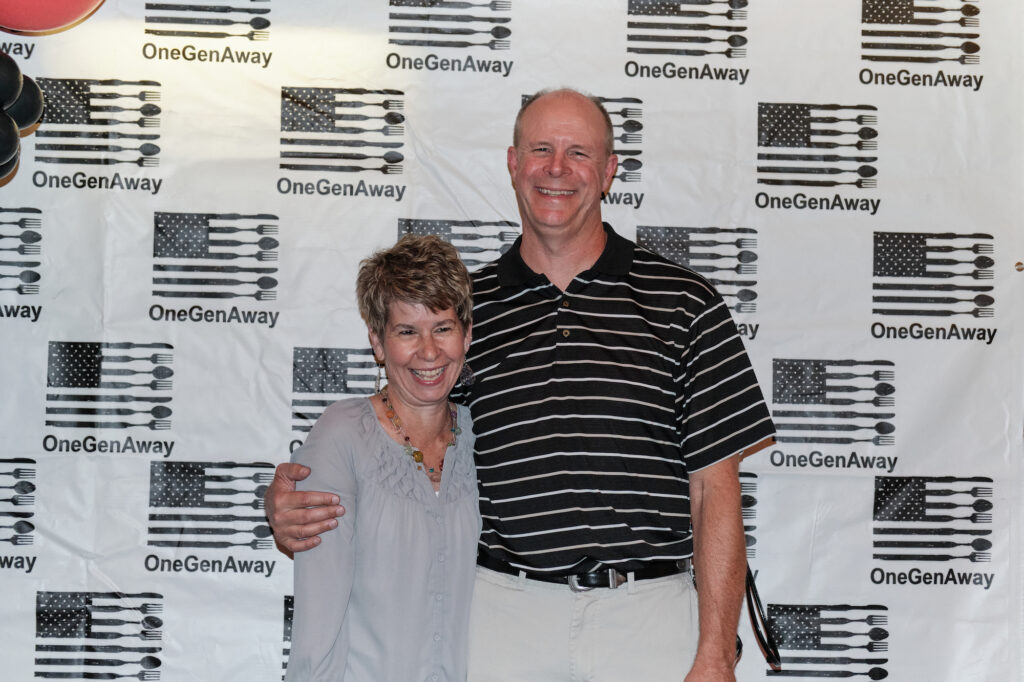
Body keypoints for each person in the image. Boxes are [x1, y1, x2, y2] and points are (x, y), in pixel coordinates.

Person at [271, 88, 775, 682]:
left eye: (579, 153)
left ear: (610, 171)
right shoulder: (463, 316)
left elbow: (716, 493)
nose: (557, 169)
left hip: (651, 619)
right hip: (501, 621)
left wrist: (716, 653)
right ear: (514, 164)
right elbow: (403, 449)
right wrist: (297, 505)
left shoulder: (685, 304)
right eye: (540, 149)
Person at [283, 234, 479, 682]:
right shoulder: (342, 436)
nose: (428, 352)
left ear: (466, 335)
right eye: (407, 331)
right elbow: (318, 623)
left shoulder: (482, 436)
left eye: (443, 328)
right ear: (377, 341)